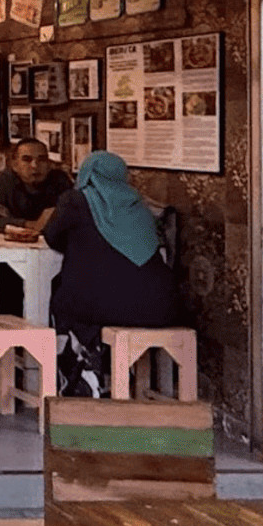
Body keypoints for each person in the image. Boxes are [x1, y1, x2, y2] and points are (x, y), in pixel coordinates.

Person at [40, 151, 180, 397]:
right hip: (158, 308)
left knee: (62, 302)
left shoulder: (75, 200)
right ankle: (116, 373)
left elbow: (52, 236)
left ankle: (83, 372)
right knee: (97, 295)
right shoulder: (139, 204)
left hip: (99, 308)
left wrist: (80, 247)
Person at [0, 139, 73, 314]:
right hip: (12, 258)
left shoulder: (60, 182)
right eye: (27, 159)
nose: (35, 166)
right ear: (14, 164)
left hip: (55, 256)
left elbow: (73, 216)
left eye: (42, 160)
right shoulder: (1, 182)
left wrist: (9, 219)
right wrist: (28, 225)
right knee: (13, 298)